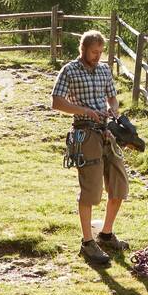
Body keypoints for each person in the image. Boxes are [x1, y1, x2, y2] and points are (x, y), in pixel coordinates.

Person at [51, 29, 129, 266]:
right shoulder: (70, 70)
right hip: (85, 134)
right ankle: (87, 242)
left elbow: (112, 97)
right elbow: (56, 102)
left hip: (107, 132)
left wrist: (113, 111)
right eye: (94, 52)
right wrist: (85, 111)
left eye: (100, 52)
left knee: (119, 186)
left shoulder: (105, 70)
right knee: (91, 190)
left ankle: (105, 234)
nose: (97, 56)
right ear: (83, 49)